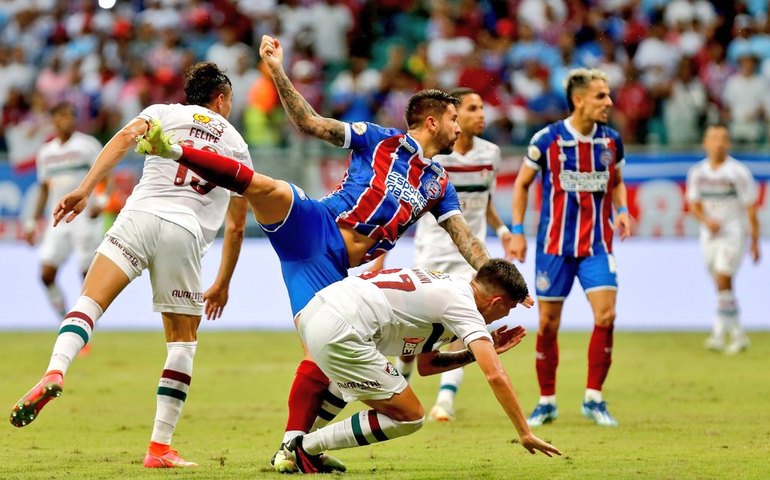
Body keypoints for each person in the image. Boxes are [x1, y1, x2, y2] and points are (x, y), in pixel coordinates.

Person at [135, 34, 531, 473]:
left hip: (331, 268)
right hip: (316, 224)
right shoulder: (378, 140)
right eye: (455, 118)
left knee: (323, 354)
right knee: (264, 186)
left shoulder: (439, 182)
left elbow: (466, 240)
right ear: (432, 122)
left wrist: (501, 282)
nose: (461, 128)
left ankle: (292, 447)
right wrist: (276, 69)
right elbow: (310, 123)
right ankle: (169, 148)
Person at [10, 62, 251, 469]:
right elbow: (237, 225)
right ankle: (159, 447)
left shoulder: (162, 112)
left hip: (138, 216)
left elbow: (123, 138)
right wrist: (223, 281)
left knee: (89, 302)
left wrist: (85, 189)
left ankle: (55, 370)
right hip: (184, 232)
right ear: (221, 99)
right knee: (181, 344)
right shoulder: (236, 143)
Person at [280, 259, 561, 472]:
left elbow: (427, 365)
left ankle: (290, 449)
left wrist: (472, 354)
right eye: (508, 309)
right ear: (497, 301)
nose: (505, 315)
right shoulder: (464, 305)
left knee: (348, 381)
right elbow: (495, 375)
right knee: (410, 415)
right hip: (344, 325)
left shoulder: (451, 287)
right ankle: (305, 448)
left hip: (317, 309)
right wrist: (525, 432)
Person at [510, 68, 631, 428]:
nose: (609, 102)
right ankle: (546, 401)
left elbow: (619, 182)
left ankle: (594, 397)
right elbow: (521, 185)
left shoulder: (611, 142)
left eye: (608, 95)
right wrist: (517, 231)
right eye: (601, 96)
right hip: (554, 245)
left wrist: (622, 210)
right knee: (547, 324)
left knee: (606, 316)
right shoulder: (546, 140)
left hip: (597, 244)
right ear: (579, 100)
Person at [388, 87, 514, 422]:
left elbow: (483, 200)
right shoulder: (436, 156)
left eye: (482, 107)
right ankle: (401, 380)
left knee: (462, 327)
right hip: (431, 253)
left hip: (469, 259)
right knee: (416, 334)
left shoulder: (491, 154)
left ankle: (444, 401)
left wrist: (503, 232)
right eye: (471, 109)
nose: (481, 115)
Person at [23, 102, 104, 322]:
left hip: (85, 217)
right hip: (58, 219)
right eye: (62, 116)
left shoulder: (87, 145)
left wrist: (102, 200)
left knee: (86, 276)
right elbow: (43, 189)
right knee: (46, 274)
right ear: (53, 120)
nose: (67, 120)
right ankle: (64, 320)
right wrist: (32, 222)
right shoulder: (46, 153)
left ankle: (85, 324)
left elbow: (107, 175)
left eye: (71, 116)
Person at [685, 124, 760, 354]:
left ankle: (719, 334)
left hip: (732, 234)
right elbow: (694, 205)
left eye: (723, 139)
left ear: (728, 143)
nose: (719, 143)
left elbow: (751, 209)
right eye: (714, 138)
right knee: (721, 287)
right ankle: (737, 334)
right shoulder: (698, 173)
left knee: (722, 278)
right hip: (709, 236)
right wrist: (707, 221)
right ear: (705, 143)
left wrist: (755, 242)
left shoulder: (738, 172)